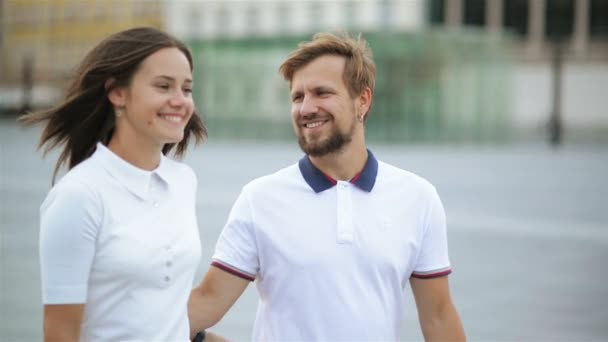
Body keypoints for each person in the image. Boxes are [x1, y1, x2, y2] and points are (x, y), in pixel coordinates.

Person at [188, 32, 465, 340]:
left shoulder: (418, 198)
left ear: (363, 100)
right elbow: (208, 301)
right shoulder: (260, 199)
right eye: (297, 97)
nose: (306, 108)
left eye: (322, 93)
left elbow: (438, 316)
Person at [19, 27, 225, 342]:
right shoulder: (79, 196)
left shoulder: (184, 182)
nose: (180, 101)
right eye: (163, 86)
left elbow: (160, 306)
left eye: (186, 89)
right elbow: (60, 331)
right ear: (118, 93)